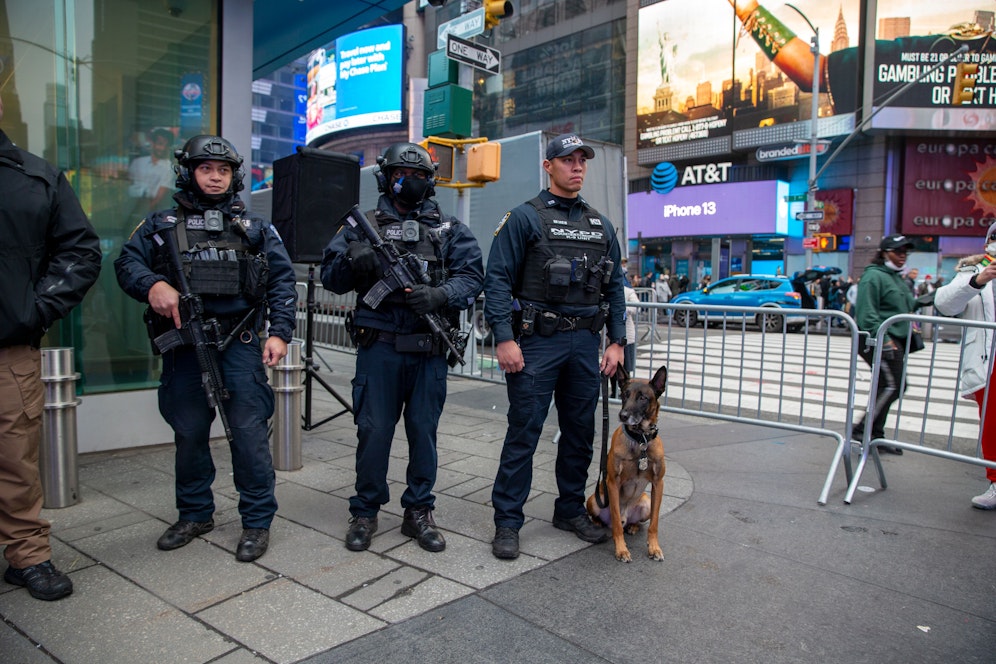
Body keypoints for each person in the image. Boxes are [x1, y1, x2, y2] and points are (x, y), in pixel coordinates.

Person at [114, 135, 296, 562]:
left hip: (241, 342)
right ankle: (196, 513)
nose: (215, 178)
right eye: (205, 169)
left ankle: (256, 522)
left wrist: (280, 333)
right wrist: (153, 284)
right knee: (190, 432)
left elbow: (282, 282)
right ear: (188, 172)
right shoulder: (160, 225)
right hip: (186, 343)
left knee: (249, 434)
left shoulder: (254, 228)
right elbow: (126, 263)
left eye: (224, 171)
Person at [321, 142, 483, 553]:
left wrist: (440, 295)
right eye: (399, 175)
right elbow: (331, 277)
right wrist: (352, 259)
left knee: (423, 434)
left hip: (429, 350)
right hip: (379, 348)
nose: (409, 182)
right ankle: (365, 511)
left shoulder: (449, 230)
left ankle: (419, 511)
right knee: (373, 432)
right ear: (384, 178)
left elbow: (472, 278)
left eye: (420, 176)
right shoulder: (361, 227)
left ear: (431, 182)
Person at [484, 133, 627, 560]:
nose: (577, 166)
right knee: (524, 432)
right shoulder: (525, 218)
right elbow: (496, 280)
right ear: (549, 166)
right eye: (568, 160)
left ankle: (568, 510)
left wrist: (616, 342)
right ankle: (508, 521)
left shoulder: (600, 224)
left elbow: (616, 287)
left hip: (585, 344)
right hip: (536, 343)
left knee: (580, 434)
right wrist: (503, 338)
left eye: (582, 159)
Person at [0, 92, 101, 601]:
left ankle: (27, 556)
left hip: (8, 348)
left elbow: (81, 250)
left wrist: (34, 311)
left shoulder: (36, 177)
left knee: (16, 458)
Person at [932, 223, 996, 509]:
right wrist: (978, 280)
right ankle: (995, 482)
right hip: (988, 361)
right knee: (993, 426)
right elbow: (945, 304)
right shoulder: (974, 269)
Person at [852, 235, 918, 456]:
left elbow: (905, 304)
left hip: (892, 338)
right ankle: (863, 431)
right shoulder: (874, 276)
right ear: (884, 252)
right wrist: (885, 339)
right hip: (879, 338)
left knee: (888, 386)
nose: (902, 256)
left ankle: (874, 435)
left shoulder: (895, 277)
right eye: (897, 251)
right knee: (893, 386)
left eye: (905, 252)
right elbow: (867, 313)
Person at [128, 128, 175, 217]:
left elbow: (159, 198)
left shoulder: (169, 168)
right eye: (160, 144)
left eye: (166, 145)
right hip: (131, 210)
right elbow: (128, 186)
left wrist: (143, 214)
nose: (163, 148)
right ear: (152, 143)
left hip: (155, 214)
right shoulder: (137, 163)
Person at [610, 281, 640, 399]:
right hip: (610, 336)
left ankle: (626, 392)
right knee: (611, 367)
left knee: (626, 368)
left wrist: (620, 309)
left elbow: (636, 307)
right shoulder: (607, 289)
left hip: (627, 336)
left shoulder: (628, 291)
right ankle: (613, 392)